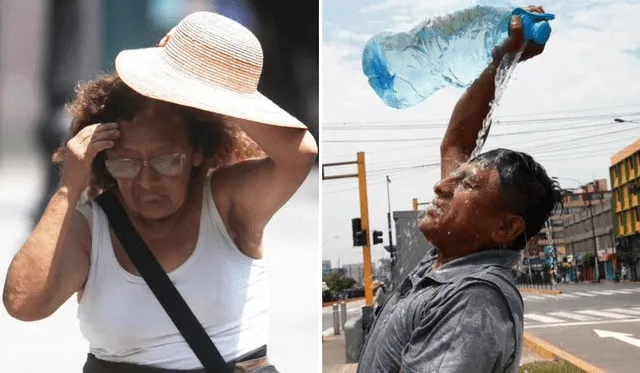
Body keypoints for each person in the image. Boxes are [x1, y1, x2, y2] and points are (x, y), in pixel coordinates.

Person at [3, 12, 317, 373]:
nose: (147, 181)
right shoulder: (92, 227)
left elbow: (299, 155)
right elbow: (22, 302)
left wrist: (209, 81)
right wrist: (68, 188)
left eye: (166, 162)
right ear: (104, 159)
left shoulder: (227, 203)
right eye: (127, 164)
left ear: (197, 152)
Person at [356, 6, 564, 373]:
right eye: (457, 176)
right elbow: (457, 141)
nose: (441, 184)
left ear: (505, 228)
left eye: (466, 183)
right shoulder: (449, 258)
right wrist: (504, 59)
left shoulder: (473, 300)